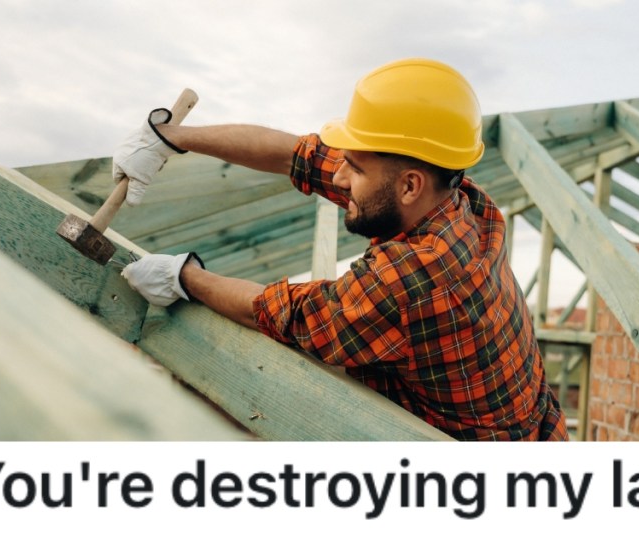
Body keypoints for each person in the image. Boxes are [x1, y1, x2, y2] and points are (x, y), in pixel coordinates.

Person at [117, 58, 567, 441]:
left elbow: (273, 312)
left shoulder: (412, 278)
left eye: (354, 168)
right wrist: (174, 137)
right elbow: (297, 154)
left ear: (410, 185)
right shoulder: (457, 199)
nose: (338, 177)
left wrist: (184, 276)